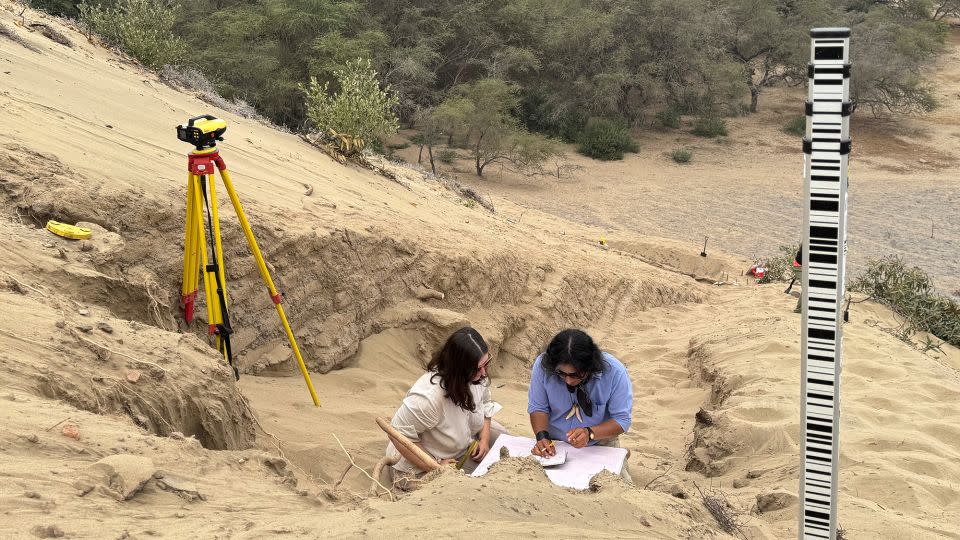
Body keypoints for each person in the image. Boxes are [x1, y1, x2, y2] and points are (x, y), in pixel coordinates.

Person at [386, 327, 506, 488]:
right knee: (460, 489)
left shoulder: (478, 376)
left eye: (486, 363)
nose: (484, 373)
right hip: (419, 464)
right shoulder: (428, 398)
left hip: (463, 443)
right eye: (478, 368)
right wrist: (434, 466)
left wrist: (484, 440)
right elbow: (398, 435)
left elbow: (485, 406)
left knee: (507, 441)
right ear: (460, 369)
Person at [527, 329, 634, 483]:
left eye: (575, 375)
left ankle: (619, 455)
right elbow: (538, 407)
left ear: (591, 366)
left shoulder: (615, 372)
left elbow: (622, 420)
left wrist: (589, 433)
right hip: (555, 444)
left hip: (600, 441)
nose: (568, 381)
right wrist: (542, 436)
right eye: (561, 374)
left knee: (621, 488)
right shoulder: (543, 366)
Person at [793, 244, 803, 313]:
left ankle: (800, 308)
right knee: (807, 287)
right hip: (799, 266)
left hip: (802, 265)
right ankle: (799, 308)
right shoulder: (808, 239)